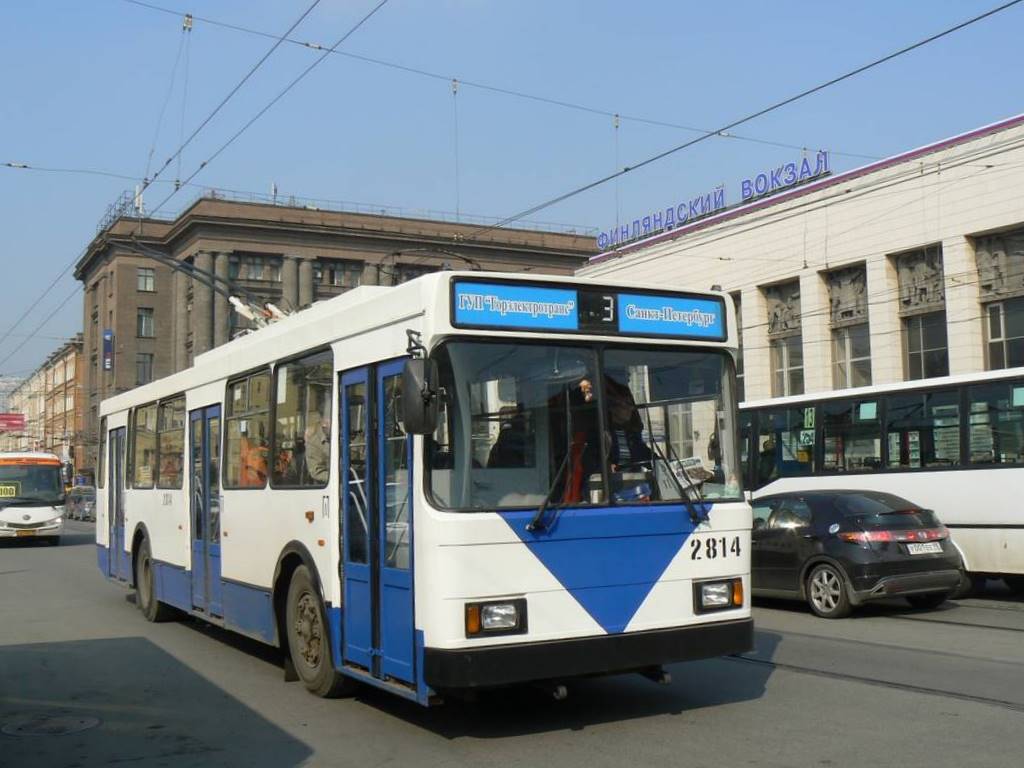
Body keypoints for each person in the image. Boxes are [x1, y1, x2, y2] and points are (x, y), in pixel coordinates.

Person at [304, 415, 331, 484]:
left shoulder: (344, 434)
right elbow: (317, 472)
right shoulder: (314, 443)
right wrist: (338, 477)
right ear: (323, 421)